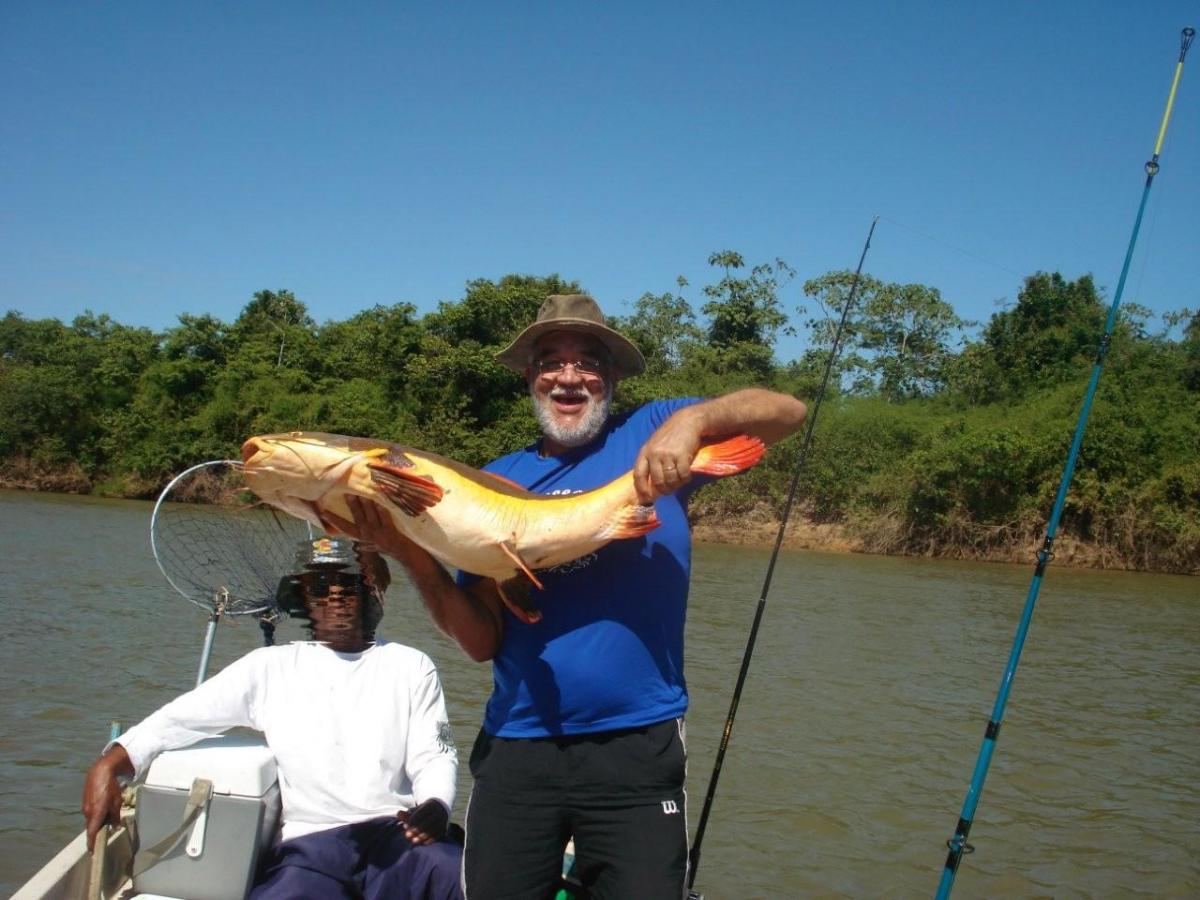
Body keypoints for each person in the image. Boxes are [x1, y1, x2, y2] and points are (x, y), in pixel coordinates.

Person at [339, 293, 807, 898]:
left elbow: (786, 411)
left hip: (638, 744)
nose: (568, 375)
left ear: (610, 376)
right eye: (549, 361)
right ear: (531, 379)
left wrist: (692, 422)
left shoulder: (653, 430)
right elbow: (481, 642)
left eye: (586, 360)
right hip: (518, 747)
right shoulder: (492, 481)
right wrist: (411, 555)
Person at [81, 537, 463, 900]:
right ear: (304, 599)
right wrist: (110, 763)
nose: (335, 596)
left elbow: (435, 753)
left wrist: (436, 804)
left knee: (455, 873)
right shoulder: (270, 667)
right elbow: (178, 720)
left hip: (396, 832)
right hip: (312, 844)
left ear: (372, 591)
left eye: (349, 584)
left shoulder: (411, 666)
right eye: (321, 586)